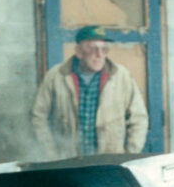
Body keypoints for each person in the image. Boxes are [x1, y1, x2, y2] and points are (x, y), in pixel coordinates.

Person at [31, 24, 148, 159]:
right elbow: (38, 116)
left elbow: (139, 118)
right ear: (79, 52)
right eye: (92, 49)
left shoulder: (121, 76)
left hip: (109, 162)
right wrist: (51, 154)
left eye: (104, 49)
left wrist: (129, 154)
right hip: (68, 160)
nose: (99, 55)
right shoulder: (56, 76)